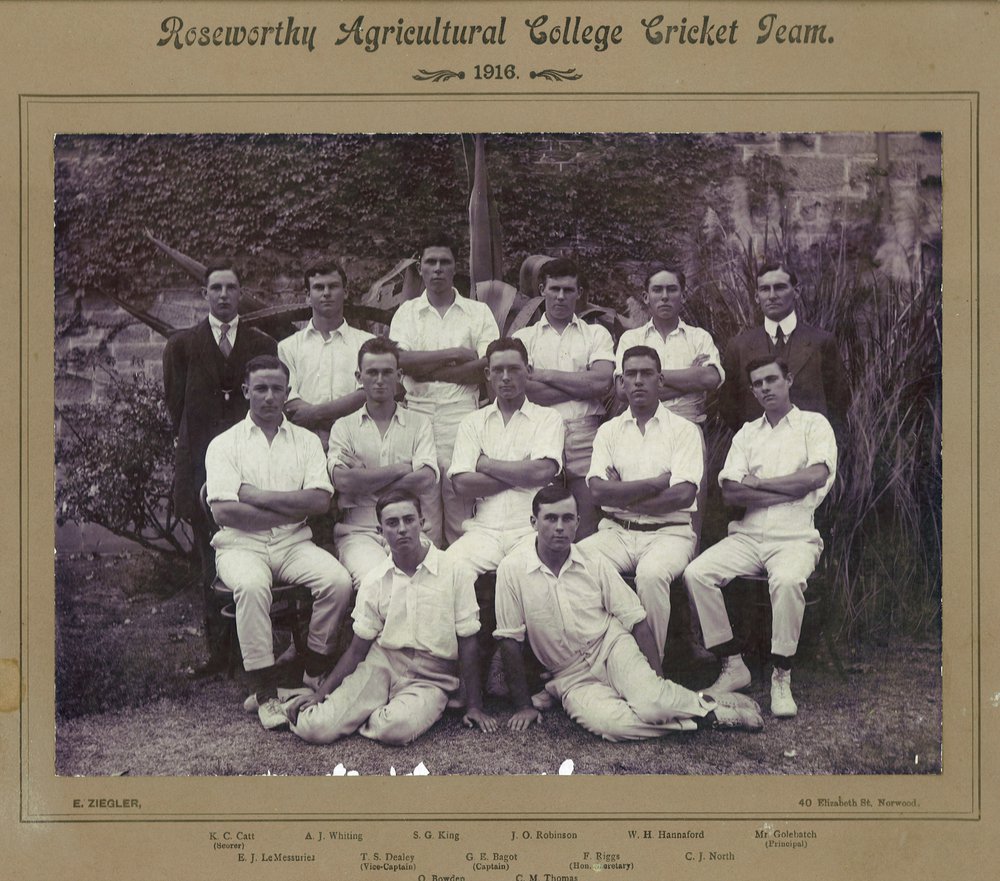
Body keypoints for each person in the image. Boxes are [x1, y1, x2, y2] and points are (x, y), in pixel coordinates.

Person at [494, 485, 763, 740]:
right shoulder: (512, 569)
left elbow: (636, 619)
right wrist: (523, 706)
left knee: (653, 703)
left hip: (611, 646)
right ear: (533, 522)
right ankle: (709, 711)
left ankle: (673, 701)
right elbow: (509, 640)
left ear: (577, 522)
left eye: (567, 519)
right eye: (550, 519)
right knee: (613, 726)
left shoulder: (593, 560)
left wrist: (656, 683)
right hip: (570, 676)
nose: (560, 527)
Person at [204, 355, 353, 729]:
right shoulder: (223, 445)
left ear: (287, 393)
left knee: (337, 582)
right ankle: (266, 693)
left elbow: (319, 501)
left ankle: (312, 674)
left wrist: (255, 495)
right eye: (260, 389)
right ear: (245, 392)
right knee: (252, 587)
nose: (269, 397)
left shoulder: (305, 442)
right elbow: (225, 512)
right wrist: (289, 505)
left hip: (292, 544)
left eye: (277, 389)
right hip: (240, 545)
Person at [683, 356, 837, 718]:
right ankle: (733, 664)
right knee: (696, 573)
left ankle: (781, 675)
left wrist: (762, 484)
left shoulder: (814, 426)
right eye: (758, 383)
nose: (765, 387)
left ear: (789, 380)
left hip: (795, 536)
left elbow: (814, 477)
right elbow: (732, 493)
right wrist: (788, 488)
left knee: (785, 581)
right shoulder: (748, 434)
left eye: (772, 379)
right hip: (748, 536)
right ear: (752, 390)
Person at [286, 489, 498, 744]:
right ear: (380, 531)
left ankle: (366, 713)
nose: (402, 529)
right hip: (381, 665)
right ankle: (310, 706)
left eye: (409, 520)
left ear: (422, 523)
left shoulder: (455, 571)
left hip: (432, 677)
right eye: (392, 523)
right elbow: (357, 650)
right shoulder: (375, 580)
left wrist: (473, 705)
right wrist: (320, 695)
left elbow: (468, 641)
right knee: (315, 728)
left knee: (394, 729)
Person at [162, 259, 277, 675]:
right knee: (210, 559)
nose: (224, 295)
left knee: (254, 552)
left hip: (252, 466)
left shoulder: (262, 342)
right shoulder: (181, 345)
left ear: (241, 292)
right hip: (201, 465)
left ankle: (257, 652)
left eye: (231, 287)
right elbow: (177, 408)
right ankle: (219, 655)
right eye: (216, 288)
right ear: (204, 294)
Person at [578, 345, 703, 667]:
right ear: (621, 381)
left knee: (650, 575)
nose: (638, 381)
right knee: (578, 561)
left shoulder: (684, 431)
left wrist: (621, 492)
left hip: (670, 534)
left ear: (660, 380)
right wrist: (656, 483)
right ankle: (591, 662)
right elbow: (597, 491)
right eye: (630, 374)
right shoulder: (608, 431)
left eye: (646, 373)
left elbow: (683, 496)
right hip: (616, 532)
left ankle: (650, 669)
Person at [388, 232, 500, 546]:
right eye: (431, 262)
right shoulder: (407, 313)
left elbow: (486, 365)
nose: (437, 268)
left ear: (455, 267)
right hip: (416, 416)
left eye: (444, 262)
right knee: (421, 506)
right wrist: (454, 355)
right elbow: (401, 360)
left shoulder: (478, 313)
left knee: (459, 505)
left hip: (461, 415)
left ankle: (462, 581)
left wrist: (428, 371)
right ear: (420, 268)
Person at [444, 337, 564, 579]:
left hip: (530, 530)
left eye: (514, 369)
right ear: (488, 373)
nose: (506, 377)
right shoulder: (472, 422)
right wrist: (523, 474)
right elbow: (462, 484)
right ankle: (469, 619)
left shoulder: (548, 418)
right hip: (483, 531)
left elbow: (542, 473)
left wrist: (486, 464)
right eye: (498, 370)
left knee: (521, 573)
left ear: (528, 371)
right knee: (447, 569)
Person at [513, 258, 614, 538]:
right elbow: (526, 391)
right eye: (554, 289)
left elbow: (602, 382)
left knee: (587, 523)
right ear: (542, 289)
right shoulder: (524, 338)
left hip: (586, 435)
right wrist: (582, 383)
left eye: (568, 290)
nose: (561, 296)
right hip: (541, 433)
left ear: (579, 293)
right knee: (546, 524)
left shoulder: (596, 334)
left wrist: (544, 375)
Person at [327, 336, 439, 589]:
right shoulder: (343, 427)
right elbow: (343, 481)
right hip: (359, 532)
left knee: (431, 581)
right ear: (359, 376)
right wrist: (401, 469)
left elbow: (426, 479)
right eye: (372, 372)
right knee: (376, 582)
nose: (379, 380)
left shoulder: (419, 423)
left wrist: (364, 477)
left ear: (399, 375)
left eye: (387, 372)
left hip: (408, 529)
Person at [720, 262, 847, 438]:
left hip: (808, 448)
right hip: (758, 450)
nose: (772, 296)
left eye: (780, 288)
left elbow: (839, 402)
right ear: (757, 296)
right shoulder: (738, 346)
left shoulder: (821, 342)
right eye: (765, 289)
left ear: (796, 292)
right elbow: (729, 407)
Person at [278, 257, 374, 449]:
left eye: (333, 286)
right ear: (307, 295)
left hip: (356, 445)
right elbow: (289, 400)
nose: (326, 293)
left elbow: (366, 394)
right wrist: (335, 416)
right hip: (304, 446)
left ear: (345, 292)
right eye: (319, 287)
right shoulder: (288, 347)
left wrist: (315, 415)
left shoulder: (367, 343)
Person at [615, 264, 724, 426]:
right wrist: (692, 379)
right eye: (657, 290)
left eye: (672, 289)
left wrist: (645, 377)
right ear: (646, 297)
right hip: (643, 429)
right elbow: (623, 391)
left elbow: (710, 378)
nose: (664, 296)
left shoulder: (699, 337)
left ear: (683, 296)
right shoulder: (631, 339)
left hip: (690, 426)